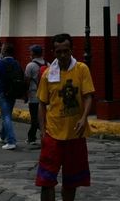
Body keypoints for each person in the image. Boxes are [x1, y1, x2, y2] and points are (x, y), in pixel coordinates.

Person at [35, 32, 94, 201]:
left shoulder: (82, 69)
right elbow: (42, 103)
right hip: (53, 134)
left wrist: (83, 118)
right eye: (58, 52)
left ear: (71, 50)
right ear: (53, 52)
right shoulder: (47, 74)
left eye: (65, 51)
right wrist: (42, 131)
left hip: (75, 134)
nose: (62, 55)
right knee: (46, 180)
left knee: (72, 181)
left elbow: (88, 95)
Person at [25, 44, 47, 145]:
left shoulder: (30, 66)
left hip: (34, 95)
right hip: (45, 96)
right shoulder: (48, 64)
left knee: (34, 117)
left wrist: (25, 94)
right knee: (42, 116)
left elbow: (27, 81)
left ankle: (32, 138)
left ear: (33, 53)